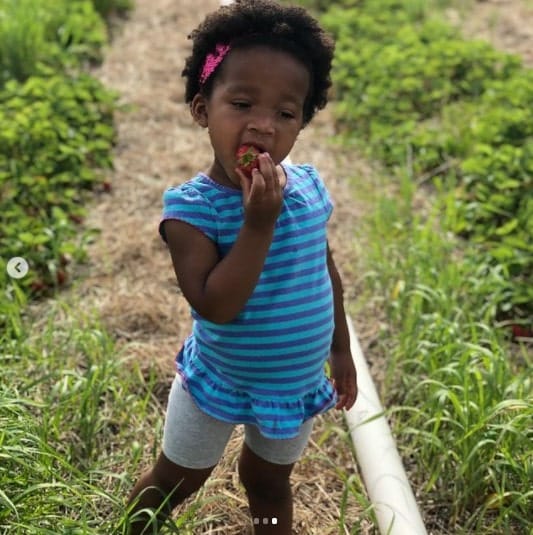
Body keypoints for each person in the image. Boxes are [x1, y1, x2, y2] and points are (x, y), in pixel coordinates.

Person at [126, 1, 357, 533]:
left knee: (270, 482)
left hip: (293, 384)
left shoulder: (305, 189)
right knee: (178, 478)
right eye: (242, 103)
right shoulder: (192, 211)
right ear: (202, 108)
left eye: (285, 113)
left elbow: (325, 271)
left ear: (303, 122)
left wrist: (340, 348)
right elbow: (217, 305)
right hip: (218, 383)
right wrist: (258, 225)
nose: (263, 127)